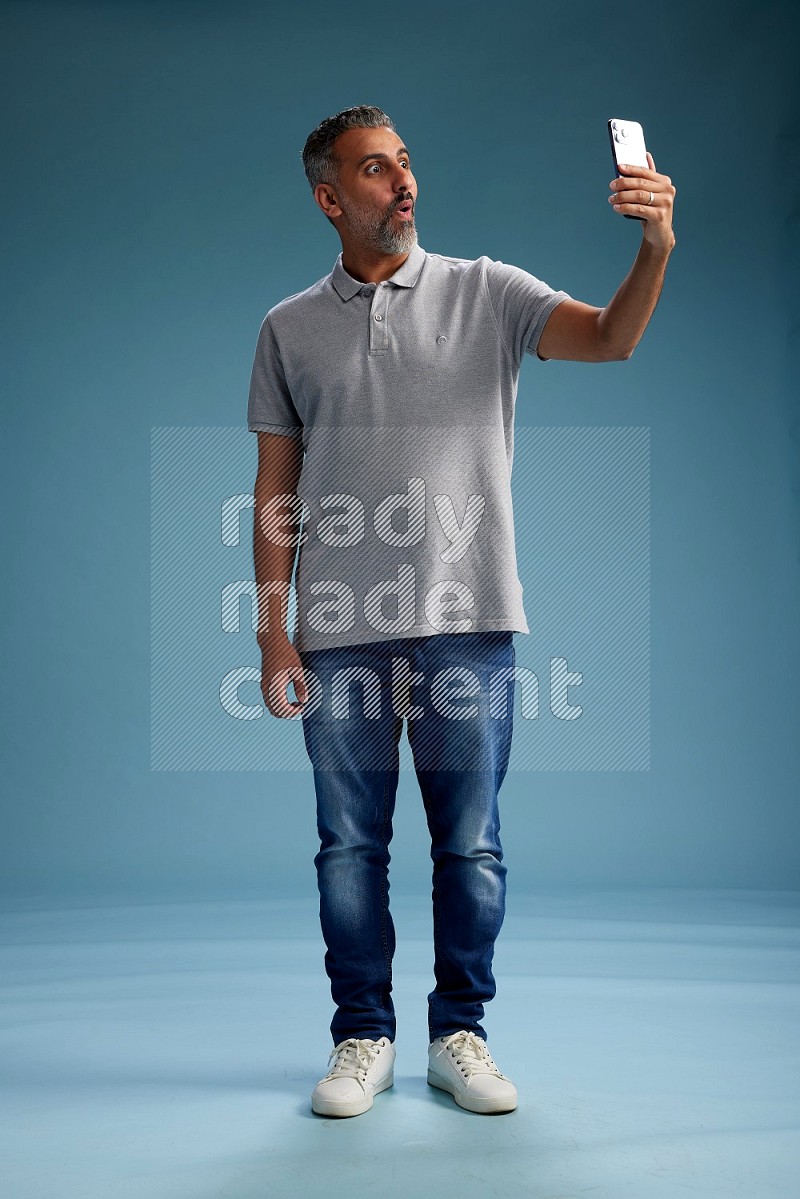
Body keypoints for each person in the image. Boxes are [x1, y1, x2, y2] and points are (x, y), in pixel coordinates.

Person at [248, 105, 676, 1118]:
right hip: (339, 629)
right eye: (371, 169)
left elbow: (612, 340)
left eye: (402, 161)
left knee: (469, 840)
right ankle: (362, 1037)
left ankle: (457, 1032)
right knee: (348, 844)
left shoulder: (490, 292)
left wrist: (655, 244)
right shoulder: (285, 328)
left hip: (470, 617)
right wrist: (272, 630)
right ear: (328, 197)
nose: (399, 181)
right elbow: (275, 489)